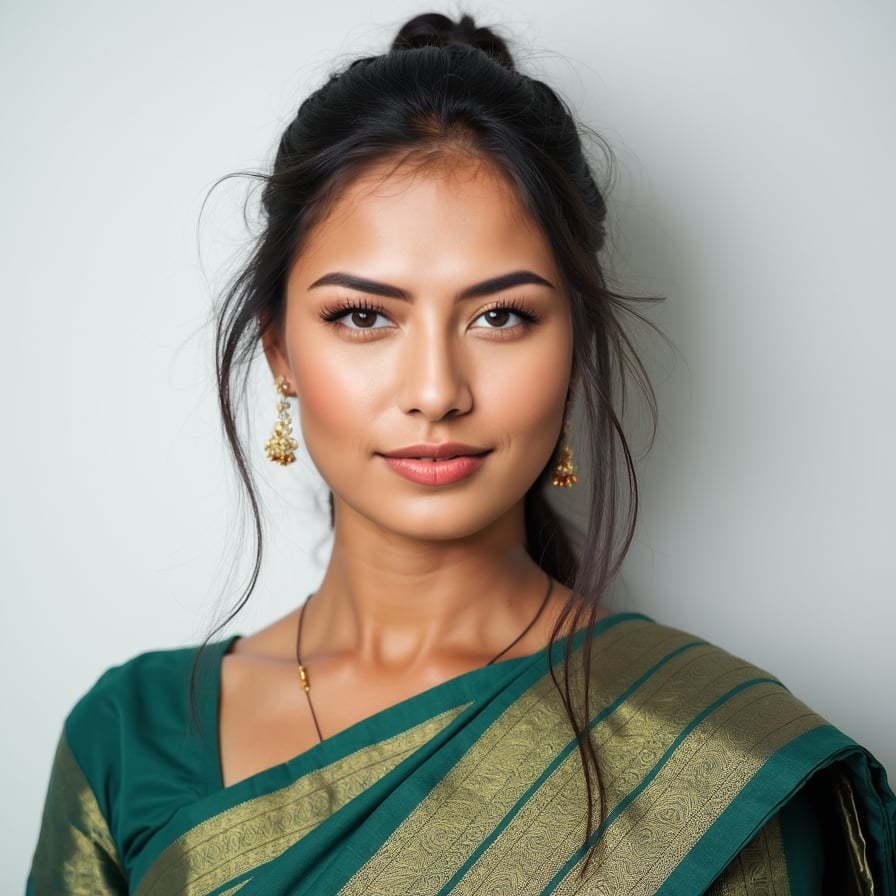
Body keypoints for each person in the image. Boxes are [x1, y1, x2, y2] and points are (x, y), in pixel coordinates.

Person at [27, 12, 895, 895]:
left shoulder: (721, 761)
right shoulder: (127, 741)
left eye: (501, 316)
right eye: (363, 316)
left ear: (575, 350)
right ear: (282, 352)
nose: (437, 389)